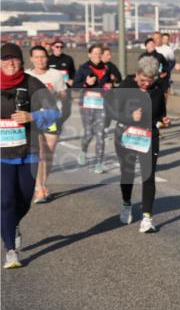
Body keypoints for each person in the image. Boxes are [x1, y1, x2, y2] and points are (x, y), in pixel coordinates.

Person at [1, 43, 59, 268]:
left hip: (29, 152)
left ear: (21, 62)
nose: (10, 63)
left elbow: (54, 113)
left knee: (24, 199)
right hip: (2, 154)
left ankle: (12, 224)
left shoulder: (32, 83)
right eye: (5, 59)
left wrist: (32, 117)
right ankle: (10, 250)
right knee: (5, 200)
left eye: (14, 59)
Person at [106, 57, 169, 233]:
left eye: (150, 81)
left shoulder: (157, 89)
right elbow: (111, 112)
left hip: (148, 137)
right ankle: (126, 204)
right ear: (137, 73)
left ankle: (147, 218)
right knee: (128, 173)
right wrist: (129, 116)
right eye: (142, 81)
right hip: (126, 136)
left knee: (148, 176)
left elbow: (161, 113)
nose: (145, 85)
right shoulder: (125, 87)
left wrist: (163, 120)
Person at [26, 45, 69, 202]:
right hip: (35, 117)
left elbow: (64, 95)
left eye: (43, 57)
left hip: (52, 116)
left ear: (47, 58)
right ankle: (38, 188)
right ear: (31, 59)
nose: (40, 60)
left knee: (49, 154)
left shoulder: (56, 75)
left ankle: (43, 183)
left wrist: (55, 93)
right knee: (40, 153)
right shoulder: (27, 75)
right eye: (36, 57)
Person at [72, 44, 117, 173]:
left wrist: (109, 87)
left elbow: (107, 86)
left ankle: (99, 163)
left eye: (99, 53)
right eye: (95, 53)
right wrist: (87, 83)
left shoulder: (106, 69)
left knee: (100, 134)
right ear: (89, 54)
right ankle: (83, 150)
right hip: (87, 104)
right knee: (89, 133)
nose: (98, 55)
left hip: (101, 105)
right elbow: (75, 87)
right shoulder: (83, 69)